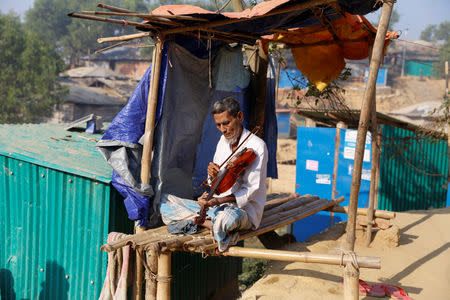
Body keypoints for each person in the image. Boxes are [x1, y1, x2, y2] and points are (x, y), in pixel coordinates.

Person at [160, 97, 268, 251]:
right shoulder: (222, 142)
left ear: (239, 117)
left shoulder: (257, 146)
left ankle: (205, 221)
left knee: (227, 219)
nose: (223, 129)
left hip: (244, 211)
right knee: (165, 203)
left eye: (227, 123)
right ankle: (208, 222)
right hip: (218, 206)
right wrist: (212, 178)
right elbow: (217, 185)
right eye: (218, 125)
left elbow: (250, 192)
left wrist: (216, 202)